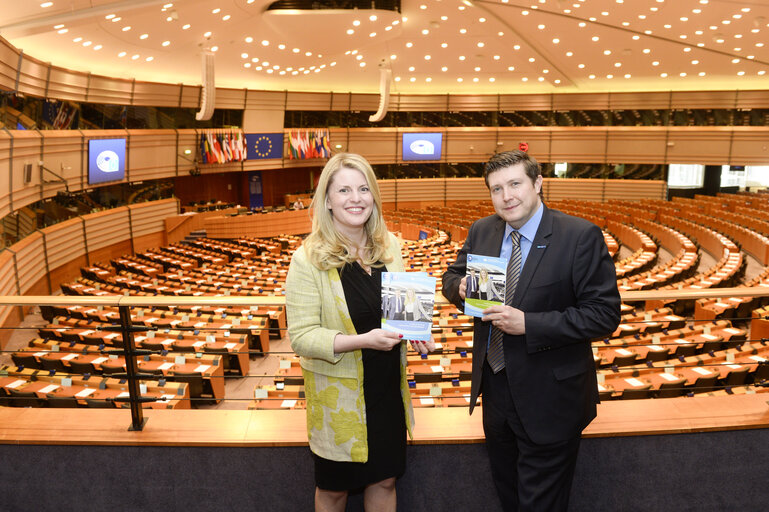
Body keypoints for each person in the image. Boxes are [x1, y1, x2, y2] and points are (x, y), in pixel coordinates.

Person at [442, 150, 621, 511]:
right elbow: (450, 277)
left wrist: (530, 324)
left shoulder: (579, 236)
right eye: (496, 189)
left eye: (514, 184)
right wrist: (459, 288)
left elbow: (604, 315)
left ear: (538, 183)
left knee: (541, 504)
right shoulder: (482, 230)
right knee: (508, 495)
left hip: (551, 397)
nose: (506, 196)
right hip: (495, 392)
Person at [286, 152, 434, 512]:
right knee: (334, 490)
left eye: (364, 189)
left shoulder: (390, 247)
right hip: (340, 400)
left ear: (374, 196)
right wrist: (362, 341)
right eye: (344, 190)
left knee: (384, 480)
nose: (356, 198)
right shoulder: (307, 259)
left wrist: (418, 334)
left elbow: (403, 312)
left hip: (386, 392)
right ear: (328, 201)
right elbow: (302, 337)